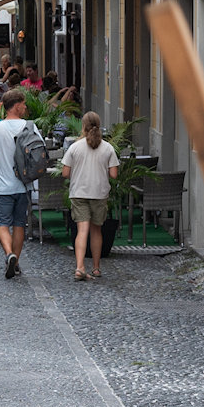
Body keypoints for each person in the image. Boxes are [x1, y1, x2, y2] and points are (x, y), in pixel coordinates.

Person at [59, 111, 120, 281]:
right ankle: (96, 267)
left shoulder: (75, 147)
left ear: (83, 126)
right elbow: (114, 174)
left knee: (82, 230)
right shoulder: (108, 148)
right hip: (99, 193)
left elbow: (65, 173)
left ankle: (80, 267)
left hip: (79, 192)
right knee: (96, 230)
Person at [0, 89, 35, 279]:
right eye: (24, 104)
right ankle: (16, 261)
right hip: (23, 184)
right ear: (17, 105)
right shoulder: (30, 127)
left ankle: (8, 254)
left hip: (3, 186)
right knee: (19, 224)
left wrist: (2, 156)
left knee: (3, 224)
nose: (25, 107)